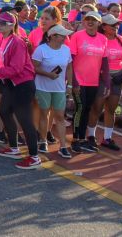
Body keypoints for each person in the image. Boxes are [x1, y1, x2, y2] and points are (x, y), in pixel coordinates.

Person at [0, 12, 41, 169]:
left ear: (11, 25)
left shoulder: (17, 42)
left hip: (22, 85)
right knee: (4, 112)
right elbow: (2, 60)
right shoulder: (5, 39)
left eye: (2, 23)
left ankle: (34, 157)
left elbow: (16, 69)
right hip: (13, 84)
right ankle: (14, 148)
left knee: (25, 121)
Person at [85, 14, 122, 151]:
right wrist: (103, 76)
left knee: (111, 109)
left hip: (118, 79)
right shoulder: (99, 39)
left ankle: (107, 138)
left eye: (117, 24)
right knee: (96, 108)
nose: (116, 27)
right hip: (102, 78)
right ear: (103, 27)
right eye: (112, 25)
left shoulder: (120, 39)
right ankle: (91, 136)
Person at [69, 10, 109, 154]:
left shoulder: (103, 39)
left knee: (87, 109)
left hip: (93, 82)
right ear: (84, 22)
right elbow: (70, 61)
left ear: (99, 23)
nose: (90, 22)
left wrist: (107, 83)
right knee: (80, 108)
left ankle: (81, 138)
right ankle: (75, 140)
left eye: (94, 20)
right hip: (79, 80)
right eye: (87, 19)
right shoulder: (77, 36)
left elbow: (104, 62)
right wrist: (73, 82)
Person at [31, 24, 74, 159]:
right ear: (53, 36)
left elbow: (69, 69)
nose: (65, 37)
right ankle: (43, 140)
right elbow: (34, 68)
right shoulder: (41, 49)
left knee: (60, 116)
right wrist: (48, 74)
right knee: (45, 114)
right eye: (62, 35)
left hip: (59, 89)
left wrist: (70, 86)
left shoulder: (66, 50)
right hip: (42, 87)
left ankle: (62, 146)